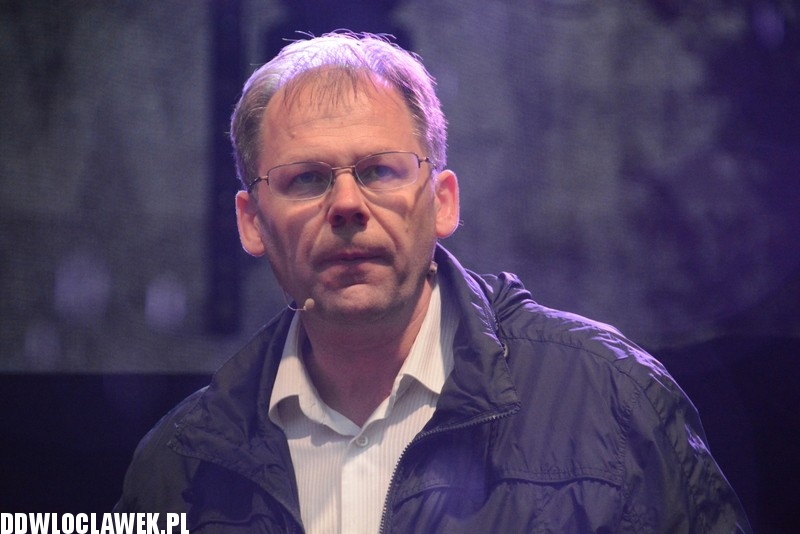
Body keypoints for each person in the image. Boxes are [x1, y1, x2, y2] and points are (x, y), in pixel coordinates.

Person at [115, 31, 751, 533]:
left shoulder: (614, 401)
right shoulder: (180, 467)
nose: (347, 205)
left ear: (443, 202)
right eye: (306, 178)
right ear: (252, 222)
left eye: (380, 171)